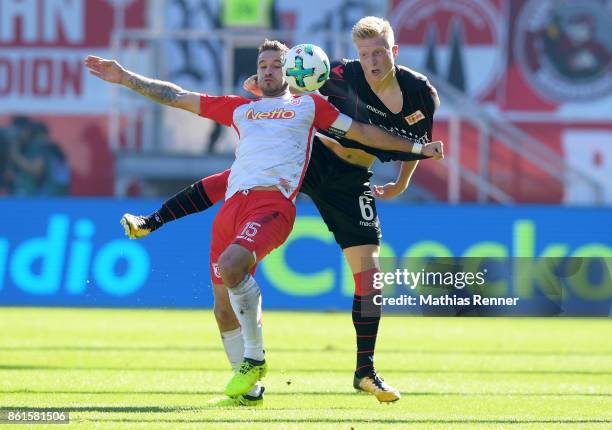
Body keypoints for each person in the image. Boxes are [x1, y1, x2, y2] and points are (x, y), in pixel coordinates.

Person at [84, 39, 443, 403]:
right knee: (242, 178)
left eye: (378, 52)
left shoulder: (409, 93)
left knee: (370, 275)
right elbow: (178, 96)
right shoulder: (331, 76)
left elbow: (371, 134)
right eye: (365, 53)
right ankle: (155, 221)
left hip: (348, 181)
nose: (371, 60)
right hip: (310, 159)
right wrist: (127, 77)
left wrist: (409, 165)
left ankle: (365, 371)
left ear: (393, 52)